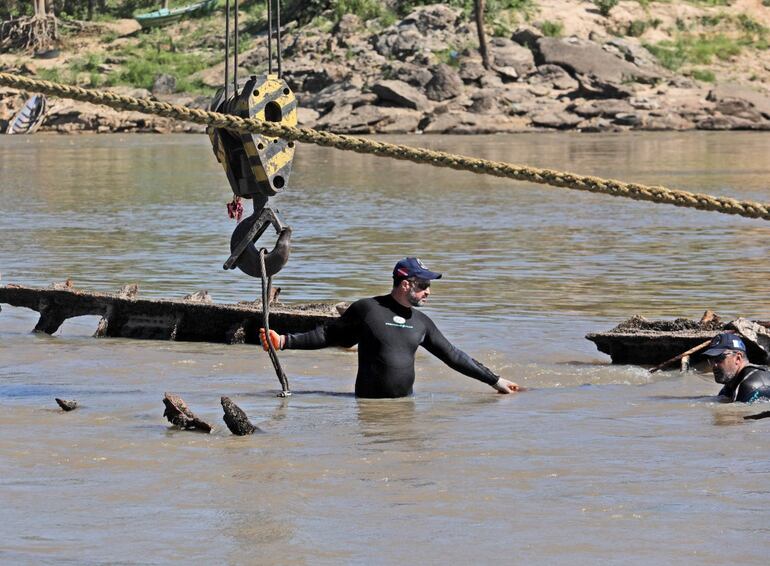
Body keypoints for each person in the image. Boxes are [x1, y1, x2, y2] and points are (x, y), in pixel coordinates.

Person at [260, 257, 521, 398]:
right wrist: (283, 341)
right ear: (405, 284)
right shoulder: (368, 309)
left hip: (405, 409)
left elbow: (453, 356)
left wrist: (495, 381)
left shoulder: (421, 323)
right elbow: (329, 335)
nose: (428, 292)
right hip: (369, 409)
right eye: (423, 286)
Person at [702, 333, 770, 403]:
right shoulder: (731, 384)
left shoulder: (751, 386)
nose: (714, 365)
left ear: (738, 358)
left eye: (719, 358)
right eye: (712, 360)